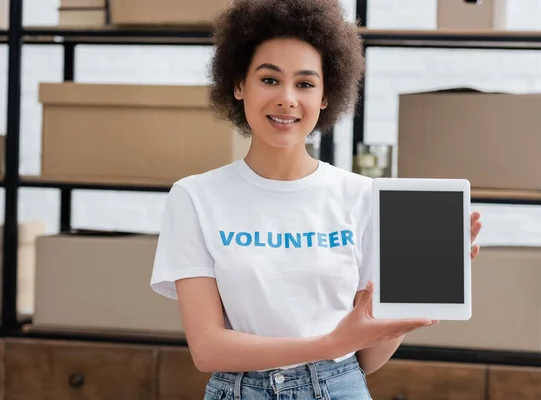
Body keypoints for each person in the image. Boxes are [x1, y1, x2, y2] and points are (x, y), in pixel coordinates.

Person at [150, 0, 483, 399]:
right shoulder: (196, 197)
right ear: (239, 84)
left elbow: (367, 359)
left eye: (305, 84)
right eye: (269, 80)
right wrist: (331, 344)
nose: (288, 98)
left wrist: (422, 286)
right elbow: (207, 348)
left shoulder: (363, 197)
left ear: (326, 96)